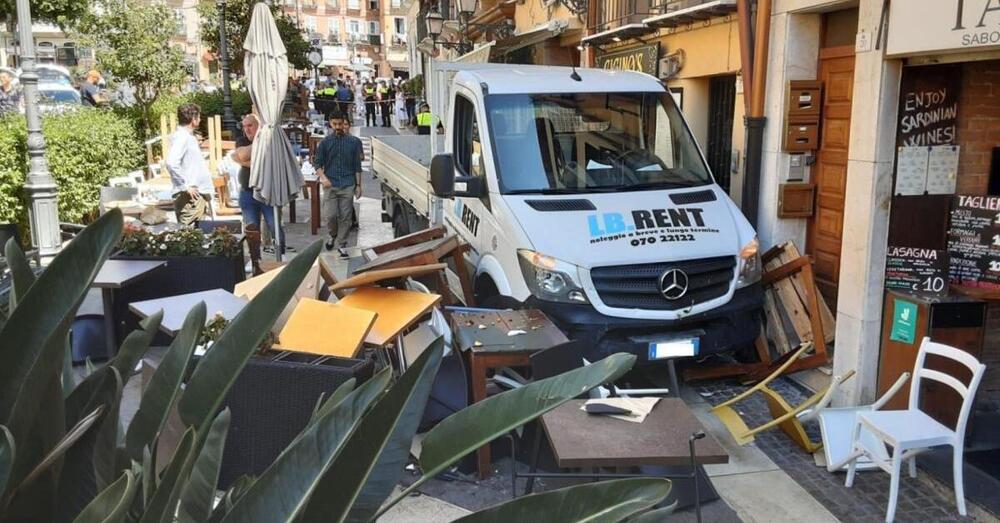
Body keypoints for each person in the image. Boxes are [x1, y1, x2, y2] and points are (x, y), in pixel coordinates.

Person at [233, 114, 281, 274]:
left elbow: (242, 157)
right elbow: (241, 154)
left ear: (258, 126)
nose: (246, 129)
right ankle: (256, 262)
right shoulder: (242, 140)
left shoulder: (270, 139)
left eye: (250, 126)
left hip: (267, 192)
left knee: (274, 225)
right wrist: (255, 151)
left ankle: (280, 257)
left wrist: (242, 160)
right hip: (247, 192)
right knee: (251, 229)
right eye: (244, 126)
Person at [314, 110, 363, 256]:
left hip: (348, 183)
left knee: (346, 216)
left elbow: (357, 166)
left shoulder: (353, 142)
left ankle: (342, 243)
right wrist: (323, 178)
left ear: (345, 124)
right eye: (334, 124)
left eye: (340, 124)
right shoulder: (325, 143)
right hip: (330, 184)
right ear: (330, 124)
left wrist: (359, 185)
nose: (337, 127)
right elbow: (317, 164)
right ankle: (332, 234)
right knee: (331, 215)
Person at [165, 103, 213, 227]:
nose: (200, 119)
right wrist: (185, 186)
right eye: (199, 117)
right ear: (193, 119)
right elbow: (171, 162)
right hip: (190, 197)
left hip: (195, 194)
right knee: (189, 235)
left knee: (196, 234)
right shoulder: (183, 137)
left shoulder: (186, 137)